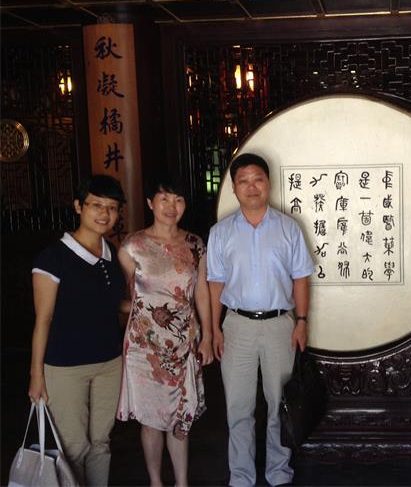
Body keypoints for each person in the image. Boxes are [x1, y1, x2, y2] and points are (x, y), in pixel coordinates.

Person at [207, 153, 314, 487]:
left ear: (268, 183)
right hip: (236, 326)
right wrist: (214, 330)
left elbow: (301, 278)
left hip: (280, 325)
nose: (251, 187)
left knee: (279, 405)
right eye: (244, 181)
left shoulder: (288, 228)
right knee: (238, 407)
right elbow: (215, 284)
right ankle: (241, 476)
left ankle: (278, 472)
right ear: (234, 188)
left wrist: (301, 321)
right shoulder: (220, 232)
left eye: (258, 179)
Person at [28, 174, 126, 486]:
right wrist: (36, 374)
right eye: (96, 205)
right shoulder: (52, 258)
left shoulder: (111, 253)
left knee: (101, 443)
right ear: (78, 207)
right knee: (73, 447)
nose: (105, 213)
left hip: (110, 363)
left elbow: (113, 305)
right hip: (65, 367)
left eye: (112, 207)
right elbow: (43, 320)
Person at [117, 176, 213, 487]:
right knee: (150, 421)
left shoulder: (196, 244)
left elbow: (202, 293)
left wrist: (208, 336)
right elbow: (126, 296)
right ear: (150, 203)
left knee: (180, 418)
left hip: (183, 342)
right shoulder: (132, 247)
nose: (172, 207)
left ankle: (181, 483)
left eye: (178, 200)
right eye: (164, 199)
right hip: (144, 347)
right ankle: (156, 481)